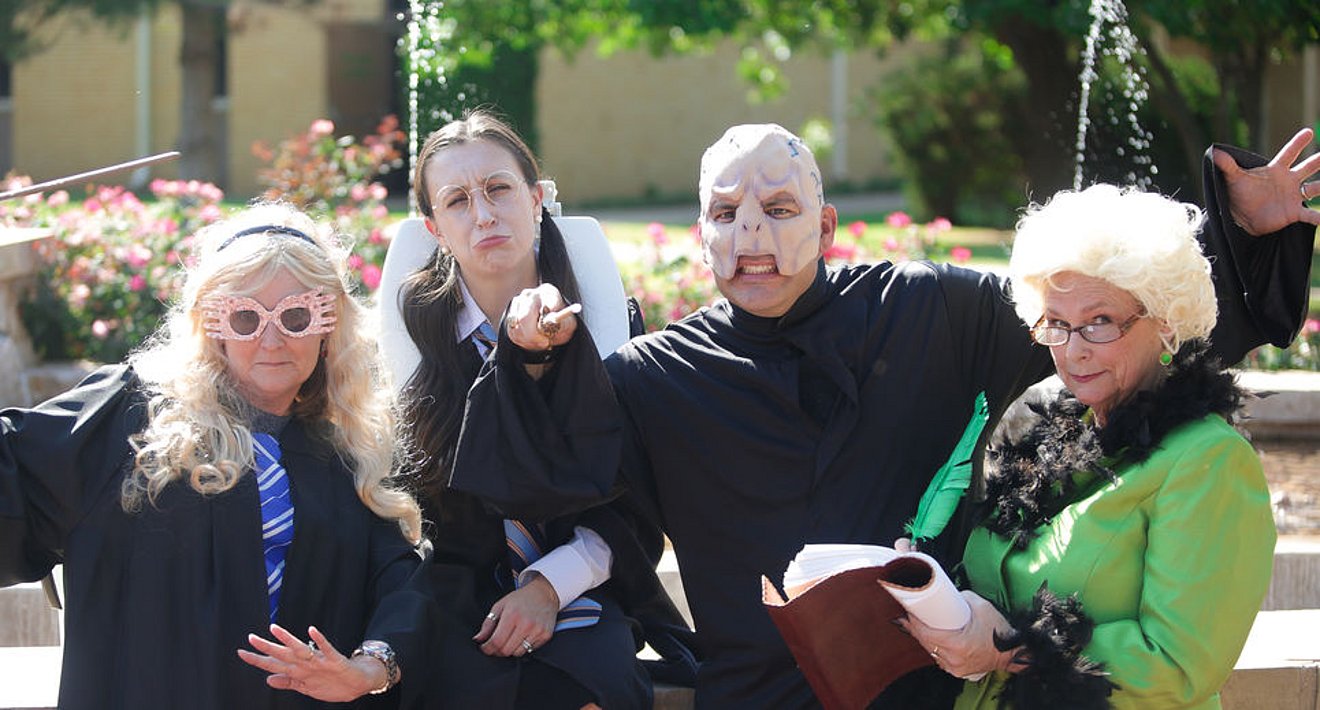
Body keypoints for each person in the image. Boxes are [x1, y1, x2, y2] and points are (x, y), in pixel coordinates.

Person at [453, 123, 1318, 708]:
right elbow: (558, 490)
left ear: (826, 224)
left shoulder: (932, 308)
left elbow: (1113, 310)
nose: (752, 232)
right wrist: (528, 360)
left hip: (932, 691)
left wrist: (1233, 234)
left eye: (780, 209)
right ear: (702, 237)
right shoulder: (651, 377)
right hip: (757, 696)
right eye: (727, 214)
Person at [0, 202, 433, 709]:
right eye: (246, 316)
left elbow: (405, 584)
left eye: (296, 315)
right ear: (212, 324)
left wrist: (370, 668)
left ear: (328, 324)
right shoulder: (130, 421)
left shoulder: (348, 453)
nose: (272, 339)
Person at [895, 182, 1308, 709]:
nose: (1073, 350)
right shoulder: (1051, 437)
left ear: (1164, 324)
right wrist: (932, 588)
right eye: (1058, 324)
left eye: (1100, 322)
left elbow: (1179, 664)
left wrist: (1010, 650)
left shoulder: (1210, 461)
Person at [395, 110, 695, 709]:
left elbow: (636, 503)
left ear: (535, 199)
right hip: (458, 592)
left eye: (499, 189)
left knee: (592, 683)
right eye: (457, 201)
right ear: (434, 228)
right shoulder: (414, 345)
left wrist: (548, 585)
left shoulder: (607, 325)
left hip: (585, 581)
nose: (483, 214)